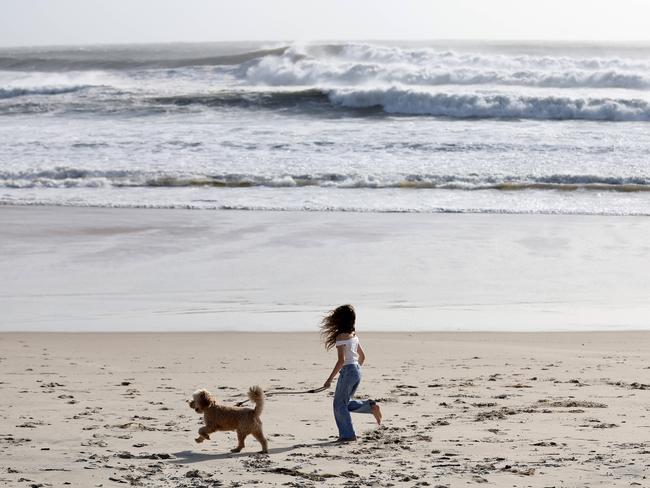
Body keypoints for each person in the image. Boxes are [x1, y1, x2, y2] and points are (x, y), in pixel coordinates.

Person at [321, 304, 382, 442]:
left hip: (349, 371)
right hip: (356, 371)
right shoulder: (354, 336)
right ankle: (371, 406)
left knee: (339, 405)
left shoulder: (341, 337)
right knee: (344, 403)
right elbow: (362, 357)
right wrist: (355, 371)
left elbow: (341, 361)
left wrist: (329, 380)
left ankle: (348, 435)